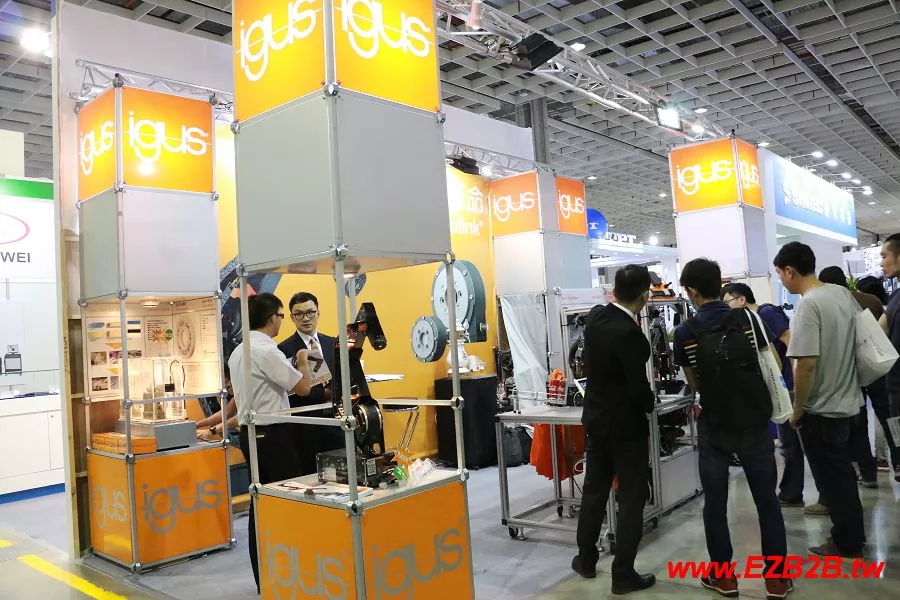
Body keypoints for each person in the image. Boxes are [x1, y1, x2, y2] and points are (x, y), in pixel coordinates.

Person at [674, 259, 790, 600]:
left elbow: (695, 382)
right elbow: (773, 363)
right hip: (754, 422)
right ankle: (776, 580)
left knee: (715, 503)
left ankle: (724, 578)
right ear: (719, 283)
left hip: (716, 425)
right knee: (767, 501)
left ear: (692, 291)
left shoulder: (685, 332)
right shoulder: (748, 319)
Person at [774, 243, 866, 559]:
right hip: (849, 402)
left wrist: (798, 410)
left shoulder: (808, 305)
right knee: (843, 477)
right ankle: (851, 536)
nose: (781, 279)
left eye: (780, 273)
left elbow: (806, 364)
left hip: (823, 409)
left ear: (790, 271)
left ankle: (847, 542)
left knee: (835, 481)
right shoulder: (840, 294)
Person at [571, 265, 656, 595]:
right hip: (626, 427)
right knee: (632, 497)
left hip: (597, 421)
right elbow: (638, 385)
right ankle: (623, 574)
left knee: (594, 491)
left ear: (615, 291)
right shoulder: (630, 333)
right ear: (644, 295)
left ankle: (586, 560)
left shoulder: (596, 318)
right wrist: (650, 404)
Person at [228, 293, 312, 592]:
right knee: (286, 502)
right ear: (272, 317)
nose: (283, 322)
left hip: (251, 435)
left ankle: (265, 577)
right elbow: (303, 387)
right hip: (273, 435)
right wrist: (302, 361)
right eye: (283, 316)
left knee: (259, 502)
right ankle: (290, 573)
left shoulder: (239, 351)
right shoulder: (266, 351)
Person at [721, 283, 806, 510]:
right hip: (782, 385)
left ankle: (792, 493)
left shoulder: (765, 314)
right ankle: (790, 491)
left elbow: (790, 342)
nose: (726, 308)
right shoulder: (751, 320)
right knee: (788, 443)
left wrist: (793, 379)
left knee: (790, 443)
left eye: (728, 302)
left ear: (741, 299)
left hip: (786, 386)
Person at [819, 266, 898, 488]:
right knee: (888, 417)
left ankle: (868, 473)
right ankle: (898, 461)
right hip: (877, 366)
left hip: (851, 370)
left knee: (858, 423)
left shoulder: (831, 304)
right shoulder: (871, 300)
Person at [278, 292, 344, 474]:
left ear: (318, 313)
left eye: (310, 312)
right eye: (299, 314)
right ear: (292, 317)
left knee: (342, 475)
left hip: (336, 423)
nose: (305, 318)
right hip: (305, 428)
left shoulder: (333, 343)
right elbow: (290, 391)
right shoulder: (283, 349)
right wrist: (324, 393)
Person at [881, 233, 900, 419]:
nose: (881, 263)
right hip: (895, 386)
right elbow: (878, 331)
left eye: (884, 256)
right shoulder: (895, 296)